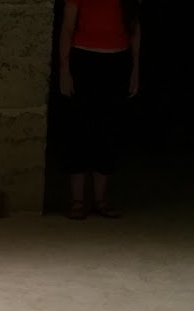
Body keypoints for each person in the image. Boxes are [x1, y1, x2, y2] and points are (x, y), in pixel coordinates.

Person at [59, 0, 141, 219]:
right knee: (79, 127)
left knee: (108, 128)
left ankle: (100, 199)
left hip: (117, 61)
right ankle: (77, 200)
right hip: (84, 59)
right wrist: (65, 69)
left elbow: (133, 26)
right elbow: (67, 27)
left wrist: (135, 69)